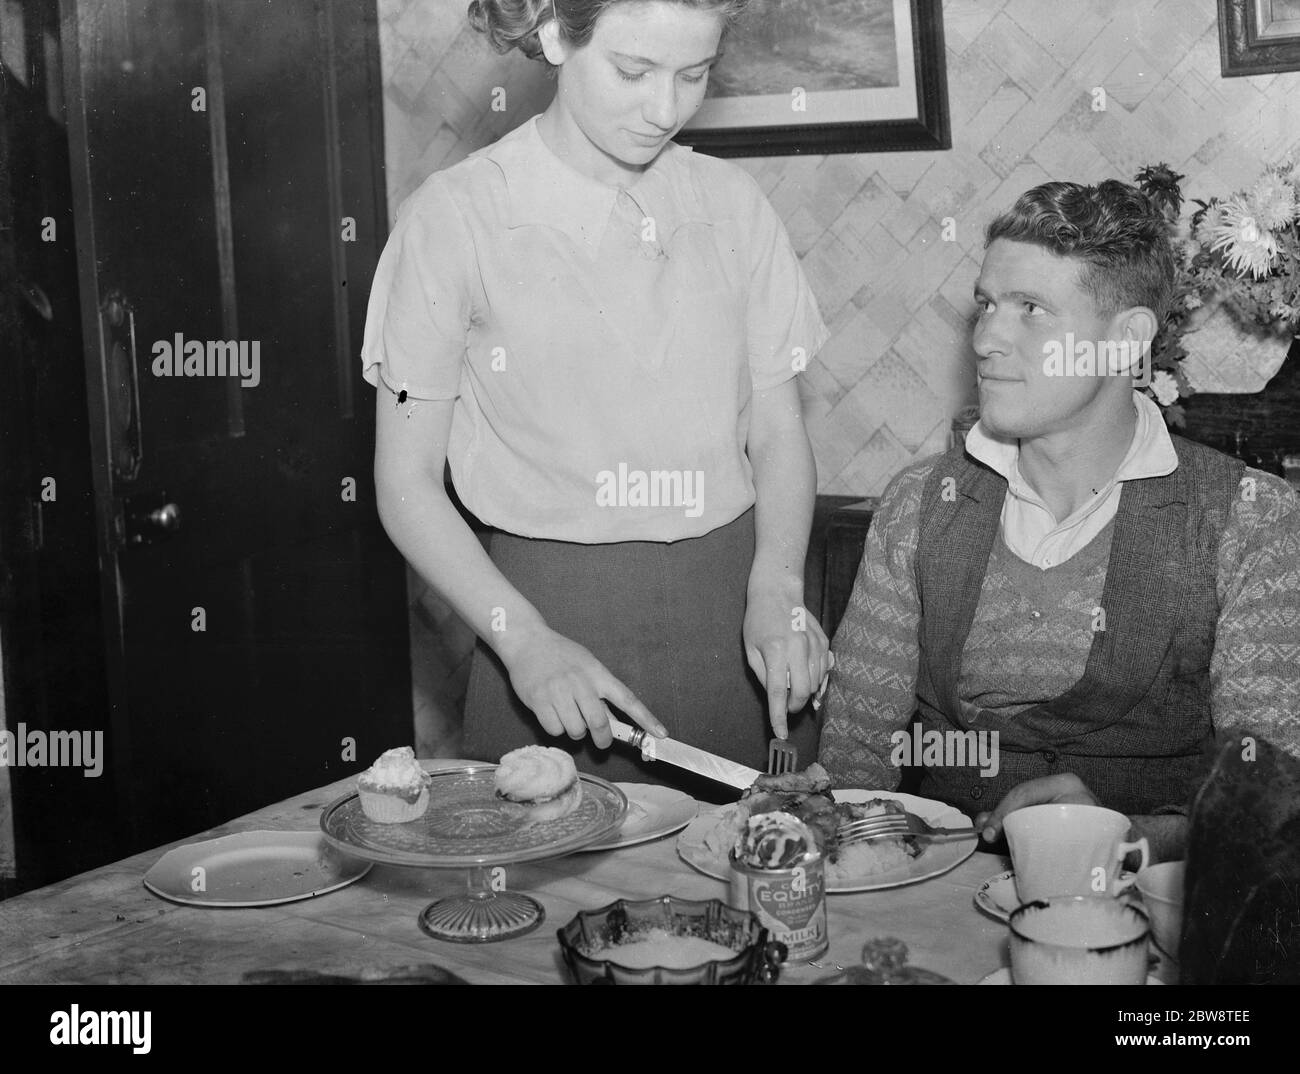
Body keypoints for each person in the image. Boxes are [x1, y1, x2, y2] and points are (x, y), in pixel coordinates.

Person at [363, 0, 832, 794]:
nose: (666, 109)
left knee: (768, 891)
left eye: (695, 74)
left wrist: (779, 586)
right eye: (633, 70)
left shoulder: (733, 207)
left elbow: (779, 435)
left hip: (740, 627)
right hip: (549, 632)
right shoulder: (453, 220)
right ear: (552, 34)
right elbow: (406, 483)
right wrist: (523, 642)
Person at [818, 179, 1300, 860]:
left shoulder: (1250, 521)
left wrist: (1135, 838)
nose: (987, 338)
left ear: (1127, 340)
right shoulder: (920, 505)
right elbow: (855, 764)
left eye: (1031, 309)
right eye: (985, 305)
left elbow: (1272, 802)